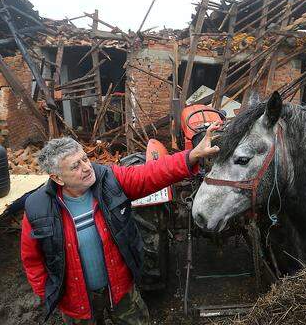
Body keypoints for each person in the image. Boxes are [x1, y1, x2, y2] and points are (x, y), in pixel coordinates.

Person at [20, 124, 219, 324]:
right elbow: (32, 261)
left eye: (85, 158)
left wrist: (191, 155)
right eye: (75, 166)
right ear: (57, 178)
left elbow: (150, 173)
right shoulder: (39, 209)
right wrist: (50, 292)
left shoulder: (109, 180)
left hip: (121, 289)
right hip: (76, 302)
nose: (87, 167)